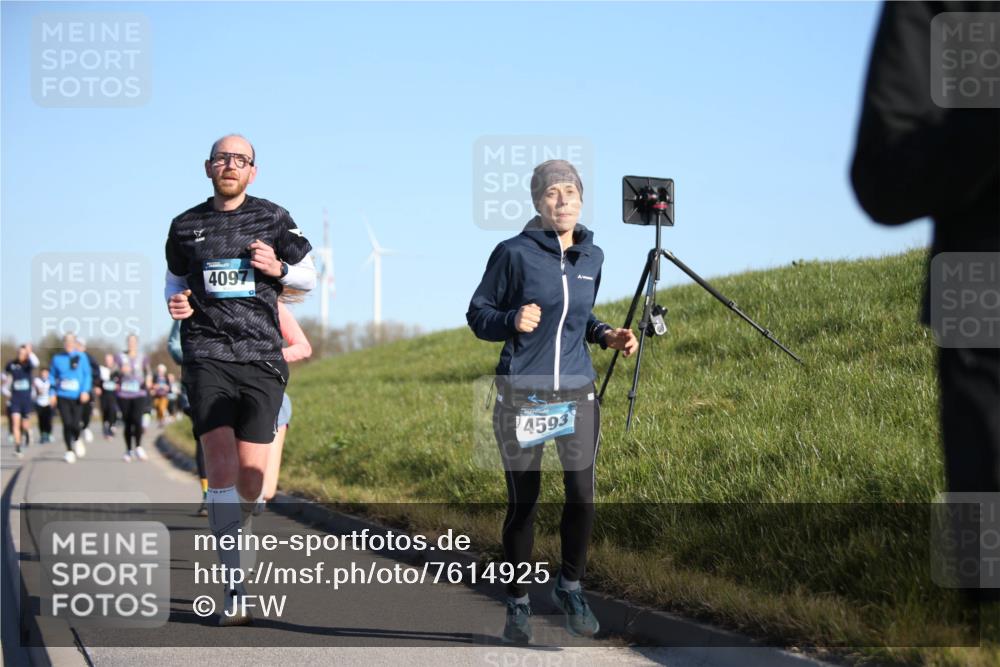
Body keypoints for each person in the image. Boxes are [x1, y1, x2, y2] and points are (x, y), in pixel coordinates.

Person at [467, 160, 638, 643]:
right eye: (551, 193)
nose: (561, 201)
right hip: (525, 393)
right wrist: (510, 319)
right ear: (537, 202)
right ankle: (518, 603)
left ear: (581, 199)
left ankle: (570, 586)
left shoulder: (593, 257)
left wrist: (608, 334)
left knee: (582, 495)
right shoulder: (512, 253)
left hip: (578, 392)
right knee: (525, 504)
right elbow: (478, 313)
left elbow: (578, 318)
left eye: (569, 191)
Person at [165, 133, 315, 625]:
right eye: (222, 158)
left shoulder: (273, 217)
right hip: (207, 354)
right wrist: (178, 303)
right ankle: (235, 586)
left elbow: (309, 275)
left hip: (261, 357)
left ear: (253, 171)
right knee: (223, 470)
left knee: (252, 480)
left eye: (241, 159)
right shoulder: (185, 226)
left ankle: (241, 531)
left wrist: (281, 266)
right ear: (207, 167)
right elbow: (175, 280)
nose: (231, 165)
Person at [259, 298, 313, 511]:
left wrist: (272, 357)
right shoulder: (223, 302)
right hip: (233, 396)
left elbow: (303, 347)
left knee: (267, 490)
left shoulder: (273, 304)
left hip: (273, 400)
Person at [49, 333, 92, 463]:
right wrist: (52, 394)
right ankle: (69, 451)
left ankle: (77, 439)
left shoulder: (82, 357)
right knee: (66, 423)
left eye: (71, 341)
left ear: (75, 343)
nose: (69, 343)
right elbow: (52, 376)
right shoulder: (57, 359)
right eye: (66, 341)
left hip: (78, 396)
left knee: (75, 423)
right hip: (62, 395)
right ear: (63, 343)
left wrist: (85, 391)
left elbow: (87, 375)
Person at [116, 334, 152, 462]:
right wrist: (120, 370)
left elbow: (148, 372)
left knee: (137, 420)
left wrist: (148, 380)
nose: (131, 343)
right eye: (129, 341)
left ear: (137, 343)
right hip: (124, 394)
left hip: (139, 393)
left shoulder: (143, 357)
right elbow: (112, 372)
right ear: (127, 343)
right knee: (127, 422)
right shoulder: (120, 357)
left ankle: (138, 446)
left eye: (133, 341)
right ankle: (128, 450)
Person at [3, 344, 39, 456]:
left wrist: (30, 352)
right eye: (19, 352)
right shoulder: (12, 364)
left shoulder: (28, 364)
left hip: (26, 399)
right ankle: (17, 448)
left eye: (23, 353)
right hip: (15, 399)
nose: (20, 355)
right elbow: (4, 374)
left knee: (24, 425)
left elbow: (36, 363)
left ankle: (27, 433)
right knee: (15, 423)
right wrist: (6, 384)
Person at [76, 338, 100, 444]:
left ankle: (85, 426)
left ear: (84, 347)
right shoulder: (69, 357)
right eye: (77, 345)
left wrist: (95, 385)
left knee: (87, 410)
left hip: (87, 388)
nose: (78, 347)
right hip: (73, 390)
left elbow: (96, 372)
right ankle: (76, 435)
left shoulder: (89, 358)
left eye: (80, 345)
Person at [98, 353, 121, 439]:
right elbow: (97, 381)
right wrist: (97, 387)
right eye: (106, 360)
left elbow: (120, 381)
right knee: (105, 410)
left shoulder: (116, 371)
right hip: (104, 394)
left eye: (109, 360)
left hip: (113, 395)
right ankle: (105, 425)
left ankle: (112, 425)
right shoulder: (101, 370)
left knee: (112, 409)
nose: (107, 362)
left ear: (113, 360)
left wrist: (119, 386)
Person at [33, 367, 54, 444]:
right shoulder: (37, 381)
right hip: (39, 403)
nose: (44, 374)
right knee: (41, 420)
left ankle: (49, 433)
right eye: (42, 373)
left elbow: (53, 391)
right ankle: (42, 435)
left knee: (48, 420)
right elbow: (34, 391)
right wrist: (38, 391)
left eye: (45, 373)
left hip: (48, 403)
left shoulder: (51, 381)